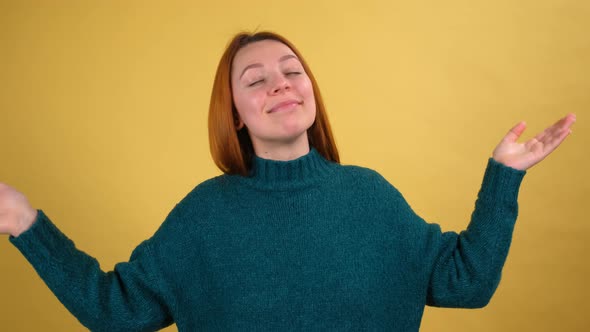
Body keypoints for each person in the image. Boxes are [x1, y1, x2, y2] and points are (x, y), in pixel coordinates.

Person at [0, 31, 576, 331]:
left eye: (292, 72)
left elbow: (466, 285)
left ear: (310, 94)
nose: (280, 84)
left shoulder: (370, 197)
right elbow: (115, 311)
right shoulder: (204, 216)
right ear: (234, 115)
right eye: (256, 80)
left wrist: (503, 178)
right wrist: (25, 223)